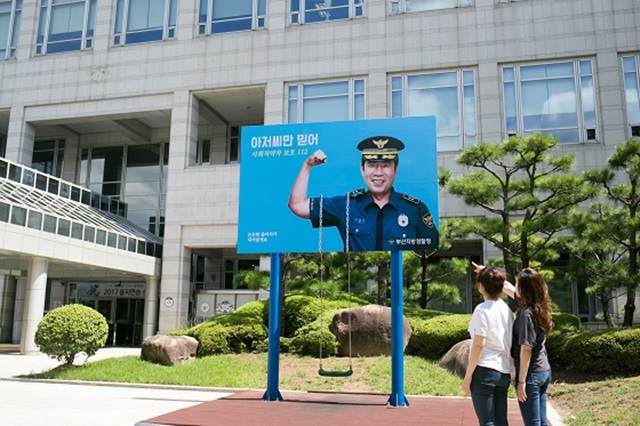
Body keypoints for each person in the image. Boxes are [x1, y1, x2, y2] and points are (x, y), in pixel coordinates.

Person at [287, 135, 439, 251]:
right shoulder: (345, 206)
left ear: (395, 170)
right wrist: (307, 166)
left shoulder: (415, 209)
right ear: (362, 169)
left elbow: (430, 252)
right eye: (372, 165)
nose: (378, 173)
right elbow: (297, 205)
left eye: (385, 165)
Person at [462, 265, 514, 426]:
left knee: (487, 422)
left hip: (484, 370)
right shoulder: (506, 309)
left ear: (480, 286)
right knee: (500, 421)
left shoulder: (481, 310)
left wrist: (468, 375)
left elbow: (479, 344)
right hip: (504, 370)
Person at [511, 268, 553, 426]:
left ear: (523, 289)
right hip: (544, 371)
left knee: (533, 423)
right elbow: (508, 288)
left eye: (517, 283)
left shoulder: (526, 314)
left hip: (532, 375)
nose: (515, 286)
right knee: (541, 423)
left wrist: (521, 382)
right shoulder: (539, 307)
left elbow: (526, 349)